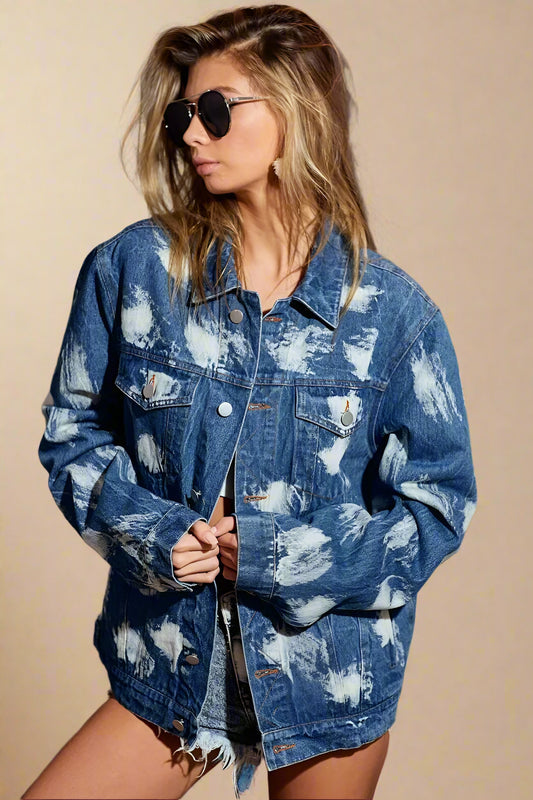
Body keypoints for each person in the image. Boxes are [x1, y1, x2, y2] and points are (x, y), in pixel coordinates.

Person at [23, 4, 477, 799]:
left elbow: (437, 509)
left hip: (327, 678)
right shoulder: (131, 273)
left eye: (215, 110)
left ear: (297, 111)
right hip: (168, 662)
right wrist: (151, 532)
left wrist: (282, 556)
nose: (192, 135)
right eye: (182, 115)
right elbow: (72, 437)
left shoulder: (394, 317)